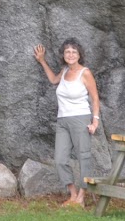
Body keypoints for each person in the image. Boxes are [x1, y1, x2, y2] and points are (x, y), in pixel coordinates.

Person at [33, 39, 102, 206]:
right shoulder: (64, 71)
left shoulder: (85, 73)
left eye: (74, 52)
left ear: (79, 55)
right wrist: (42, 61)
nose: (70, 55)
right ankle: (72, 194)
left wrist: (95, 121)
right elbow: (53, 80)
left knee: (83, 157)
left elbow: (94, 98)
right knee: (60, 159)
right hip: (62, 120)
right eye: (67, 52)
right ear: (63, 55)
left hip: (81, 119)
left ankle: (82, 196)